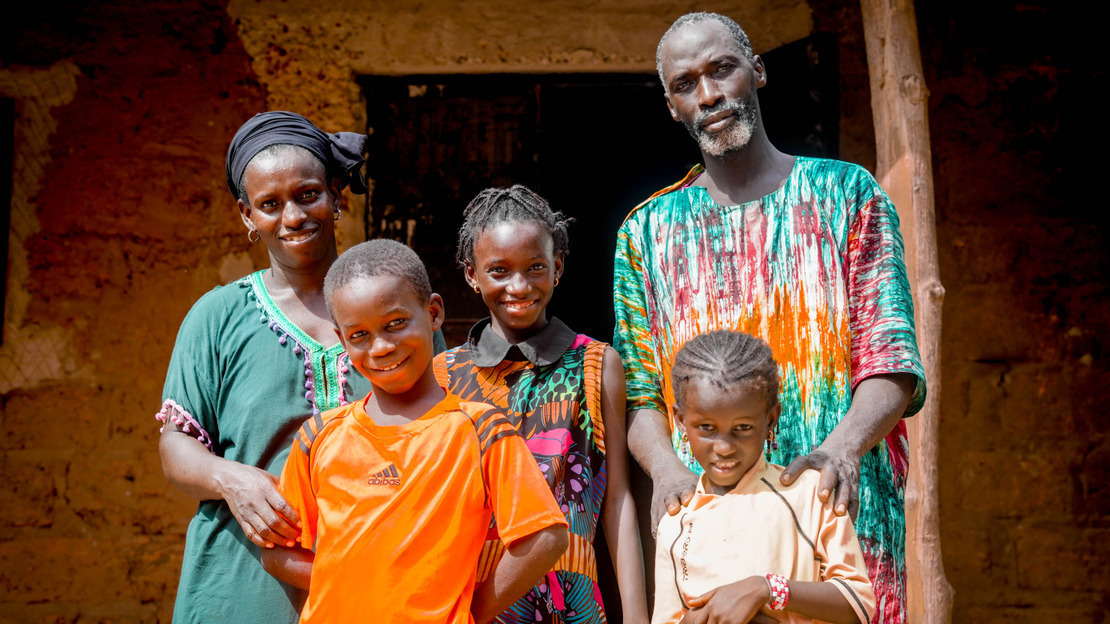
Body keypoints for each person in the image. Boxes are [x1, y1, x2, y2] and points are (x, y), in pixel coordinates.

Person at [613, 12, 926, 620]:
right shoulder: (644, 233)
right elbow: (643, 395)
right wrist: (668, 469)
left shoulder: (848, 197)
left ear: (756, 72)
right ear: (672, 105)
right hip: (714, 531)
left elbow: (892, 361)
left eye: (722, 69)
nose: (709, 95)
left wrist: (843, 448)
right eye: (686, 84)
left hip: (842, 518)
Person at [260, 238, 570, 623]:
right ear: (342, 340)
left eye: (395, 324)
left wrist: (471, 608)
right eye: (359, 335)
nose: (381, 347)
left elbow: (544, 536)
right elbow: (276, 550)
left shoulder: (480, 431)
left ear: (433, 312)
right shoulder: (319, 436)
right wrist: (353, 580)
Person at [156, 111, 379, 623]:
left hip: (377, 578)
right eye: (269, 204)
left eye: (307, 195)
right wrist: (231, 478)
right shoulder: (216, 317)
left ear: (337, 195)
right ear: (245, 215)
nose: (293, 217)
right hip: (242, 585)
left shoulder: (391, 306)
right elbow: (175, 446)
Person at [434, 185, 649, 623]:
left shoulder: (596, 364)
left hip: (572, 605)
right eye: (499, 270)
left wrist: (638, 617)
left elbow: (617, 501)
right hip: (472, 600)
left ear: (558, 267)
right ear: (471, 274)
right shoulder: (444, 375)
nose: (520, 286)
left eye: (535, 268)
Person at [652, 331, 874, 624]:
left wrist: (767, 588)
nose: (724, 447)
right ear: (680, 420)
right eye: (706, 427)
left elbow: (857, 603)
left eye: (742, 428)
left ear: (770, 419)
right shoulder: (675, 522)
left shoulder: (810, 495)